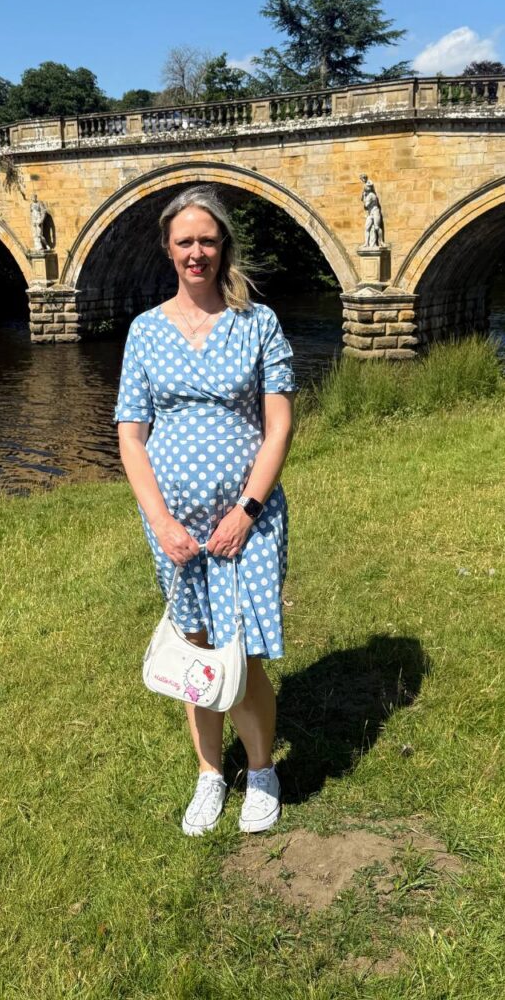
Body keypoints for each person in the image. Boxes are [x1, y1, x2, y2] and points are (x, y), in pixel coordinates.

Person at [114, 184, 296, 837]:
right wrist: (161, 520)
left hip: (247, 524)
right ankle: (209, 775)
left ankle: (262, 771)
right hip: (175, 528)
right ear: (169, 248)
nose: (197, 252)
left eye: (208, 240)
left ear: (224, 248)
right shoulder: (144, 331)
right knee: (196, 649)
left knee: (240, 654)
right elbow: (130, 434)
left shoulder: (258, 325)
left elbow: (278, 427)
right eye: (185, 241)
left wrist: (246, 509)